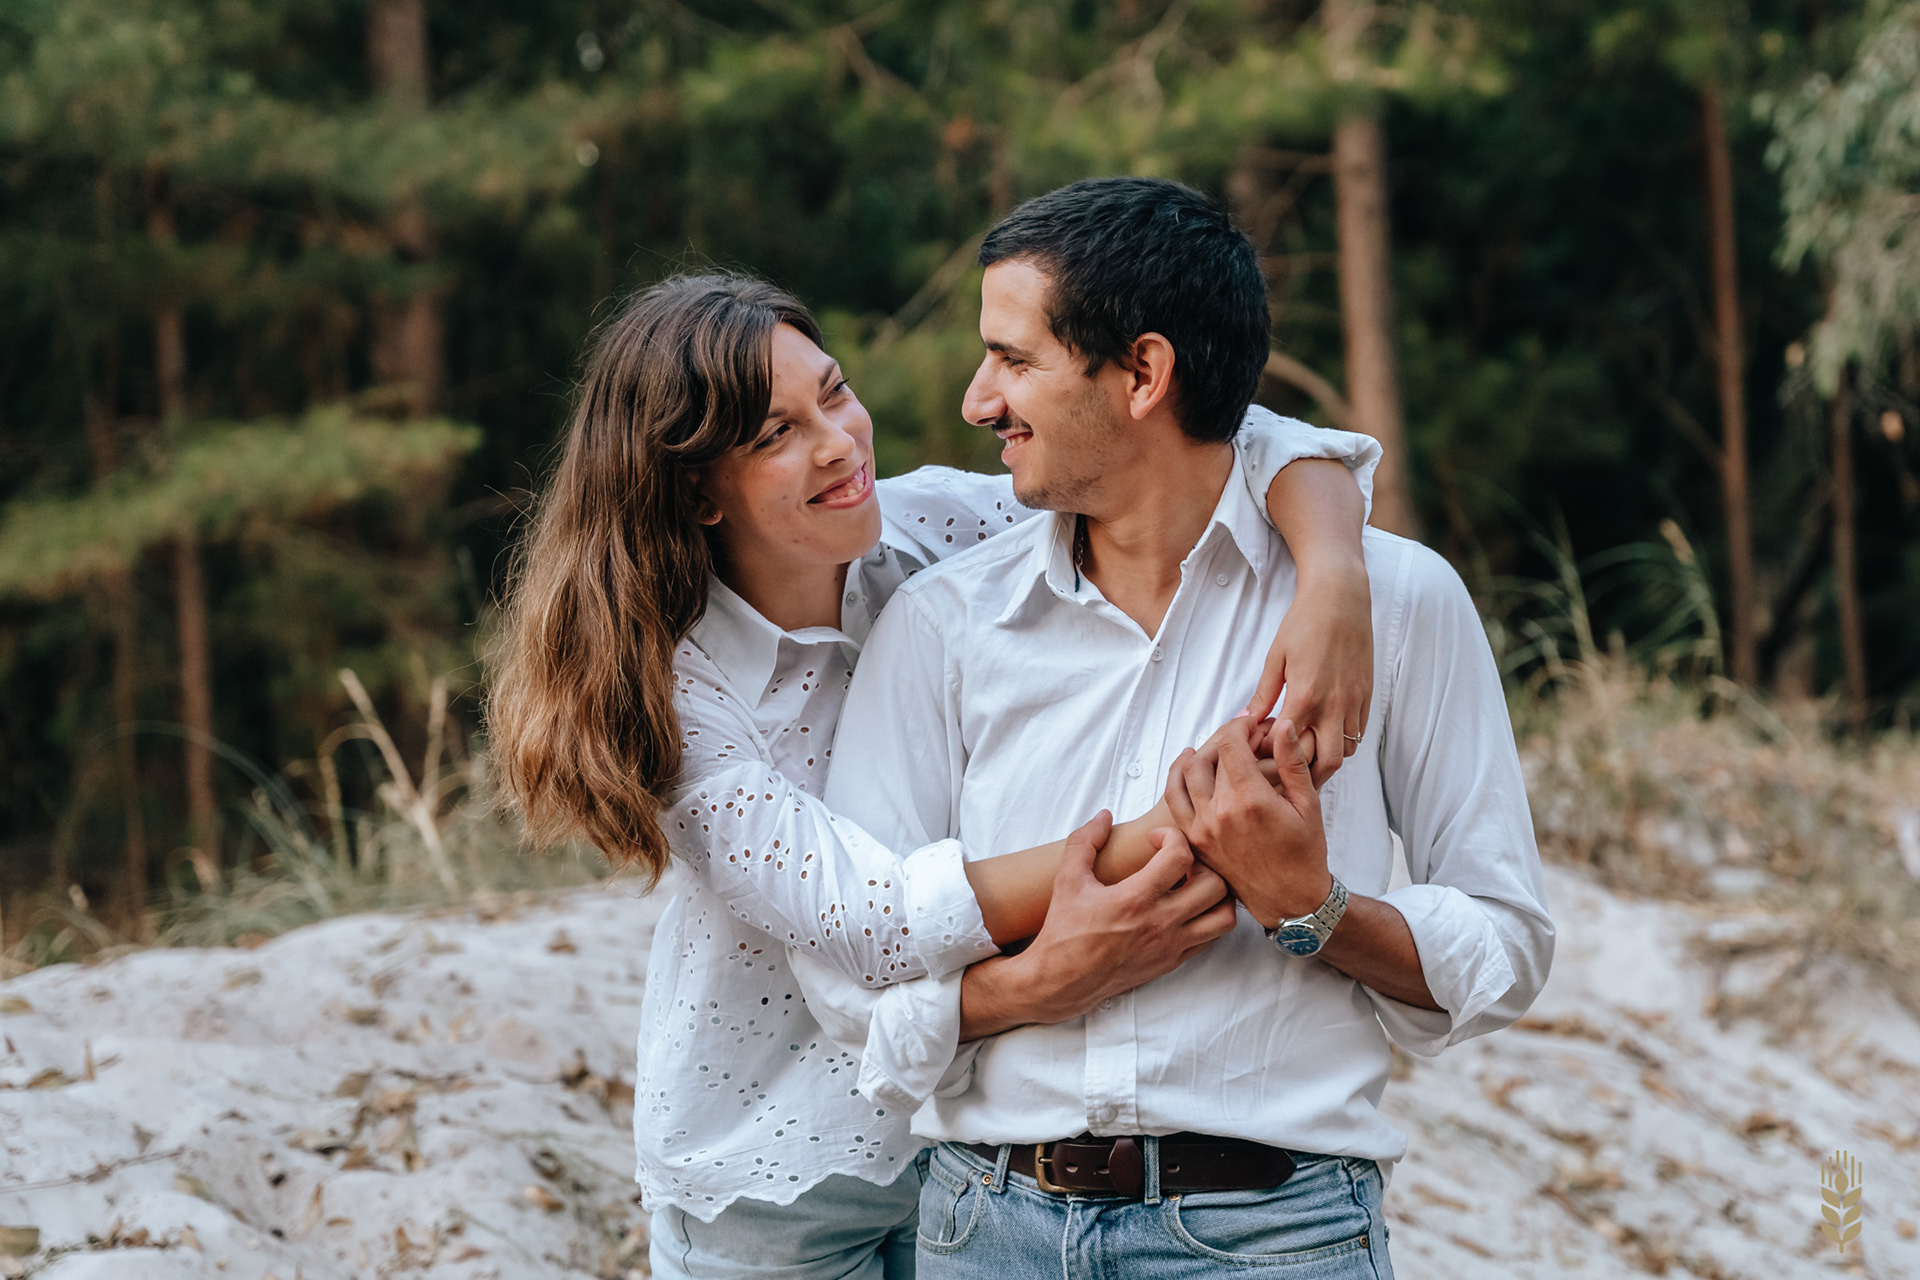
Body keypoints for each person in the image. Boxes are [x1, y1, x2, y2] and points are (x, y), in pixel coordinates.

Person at [485, 270, 1384, 1279]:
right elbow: (876, 914)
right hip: (776, 1176)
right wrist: (1189, 824)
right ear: (695, 487)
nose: (837, 442)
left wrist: (1335, 580)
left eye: (833, 392)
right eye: (775, 434)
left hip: (970, 1156)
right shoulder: (674, 695)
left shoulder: (934, 532)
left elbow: (1206, 453)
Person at [816, 178, 1556, 1278]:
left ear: (1145, 375)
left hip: (1277, 1239)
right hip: (987, 1231)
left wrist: (1314, 908)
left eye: (1014, 359)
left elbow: (1505, 946)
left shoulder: (1394, 604)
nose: (979, 399)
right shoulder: (939, 623)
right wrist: (1041, 979)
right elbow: (848, 982)